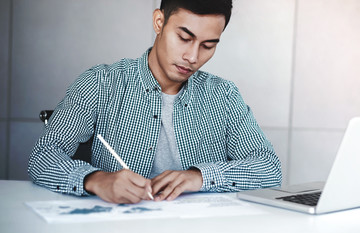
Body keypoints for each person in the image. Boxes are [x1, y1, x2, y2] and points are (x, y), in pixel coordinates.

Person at [28, 0, 282, 204]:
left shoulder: (223, 95)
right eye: (184, 38)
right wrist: (95, 180)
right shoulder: (100, 83)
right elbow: (43, 157)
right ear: (159, 22)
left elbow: (269, 167)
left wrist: (201, 177)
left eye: (207, 45)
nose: (192, 57)